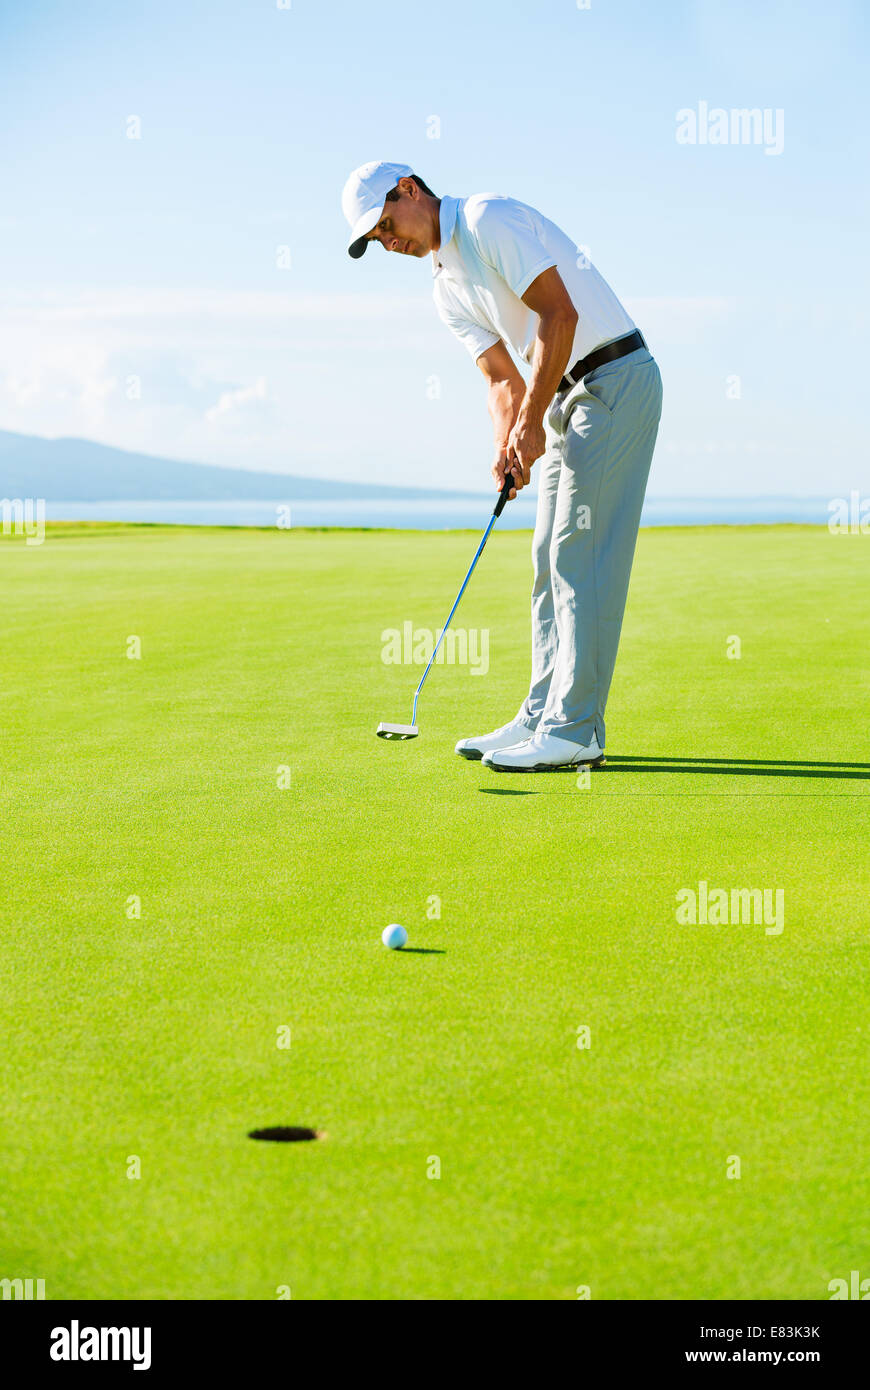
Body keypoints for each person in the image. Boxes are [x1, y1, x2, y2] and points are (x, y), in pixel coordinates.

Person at [342, 160, 663, 772]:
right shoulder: (444, 286)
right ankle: (542, 714)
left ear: (409, 190)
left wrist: (529, 422)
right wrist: (506, 445)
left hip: (614, 379)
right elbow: (499, 378)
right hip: (563, 395)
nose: (388, 242)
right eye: (376, 239)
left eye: (385, 224)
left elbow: (558, 315)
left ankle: (577, 731)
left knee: (579, 554)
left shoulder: (488, 218)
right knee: (546, 555)